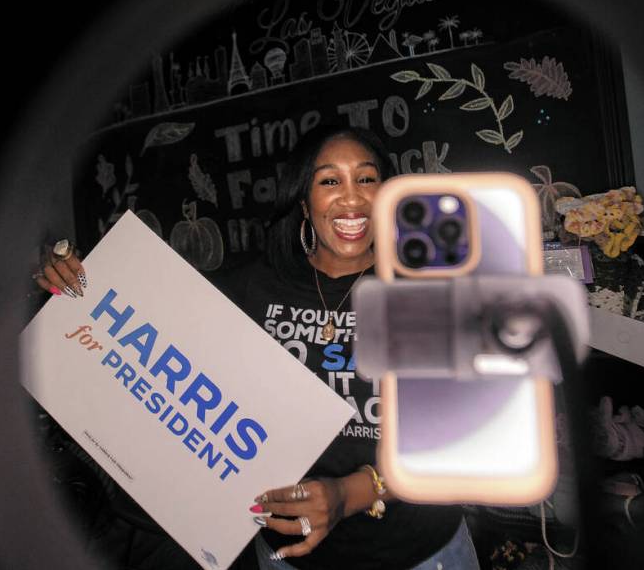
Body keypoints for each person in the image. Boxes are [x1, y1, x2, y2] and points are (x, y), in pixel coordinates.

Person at [34, 124, 481, 570]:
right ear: (303, 202)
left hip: (420, 555)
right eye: (330, 181)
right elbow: (140, 328)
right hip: (287, 560)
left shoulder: (428, 292)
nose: (352, 198)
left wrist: (348, 494)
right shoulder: (252, 289)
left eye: (367, 179)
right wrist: (74, 276)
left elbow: (453, 439)